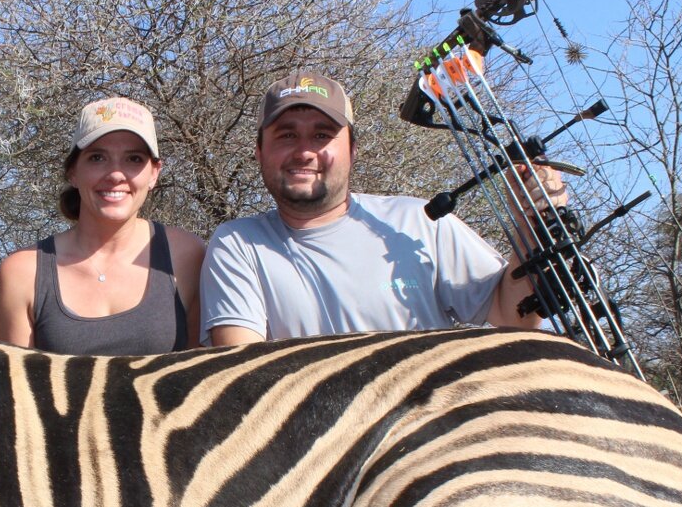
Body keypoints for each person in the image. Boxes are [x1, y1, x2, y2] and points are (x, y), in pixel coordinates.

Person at [200, 70, 567, 346]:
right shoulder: (238, 244)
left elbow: (512, 316)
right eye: (286, 135)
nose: (304, 151)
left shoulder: (421, 221)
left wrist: (533, 224)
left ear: (353, 151)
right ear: (259, 151)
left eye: (322, 135)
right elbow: (244, 368)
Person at [0, 96, 205, 355]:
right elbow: (14, 387)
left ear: (154, 173)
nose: (116, 174)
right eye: (97, 158)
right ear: (73, 172)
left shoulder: (187, 255)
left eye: (134, 159)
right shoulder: (22, 272)